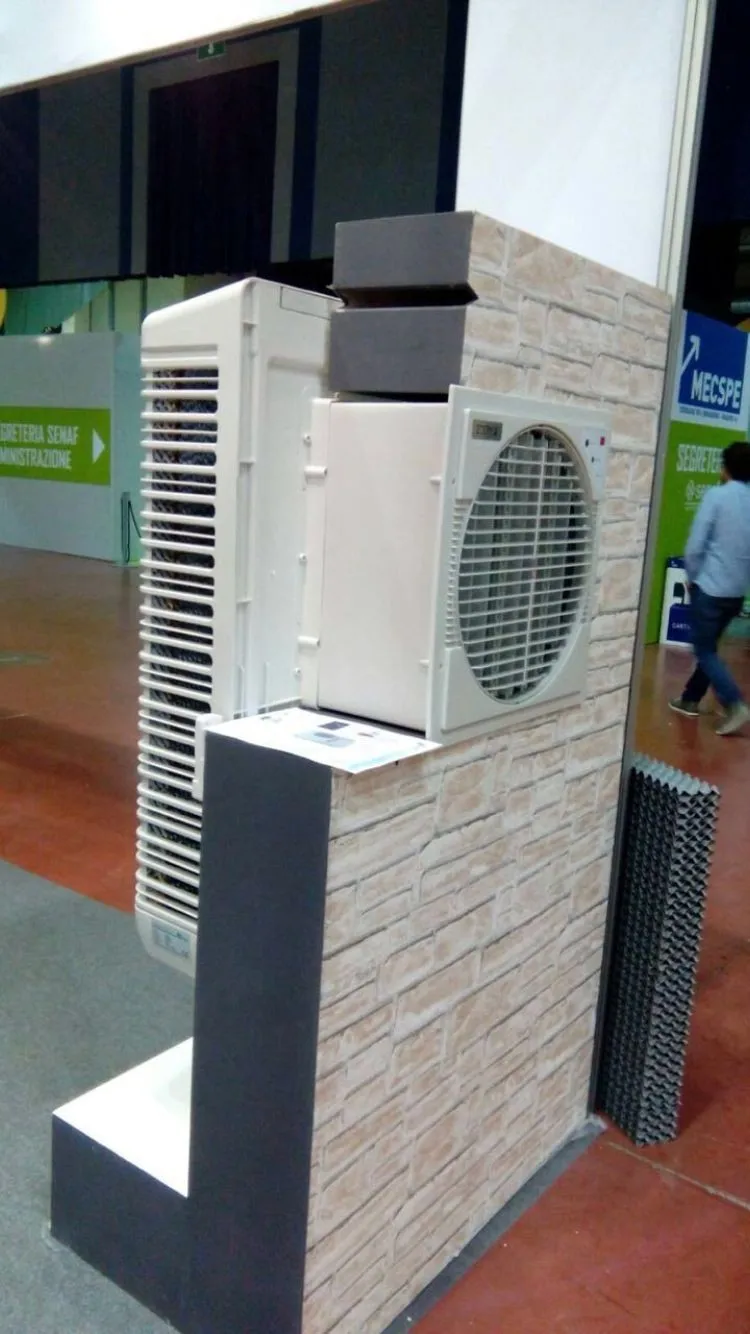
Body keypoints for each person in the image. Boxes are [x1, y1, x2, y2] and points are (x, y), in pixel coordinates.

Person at [670, 439, 750, 736]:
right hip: (736, 592)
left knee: (703, 649)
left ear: (725, 468)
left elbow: (695, 546)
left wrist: (692, 576)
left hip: (710, 587)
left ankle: (735, 703)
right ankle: (690, 699)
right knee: (709, 648)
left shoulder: (716, 496)